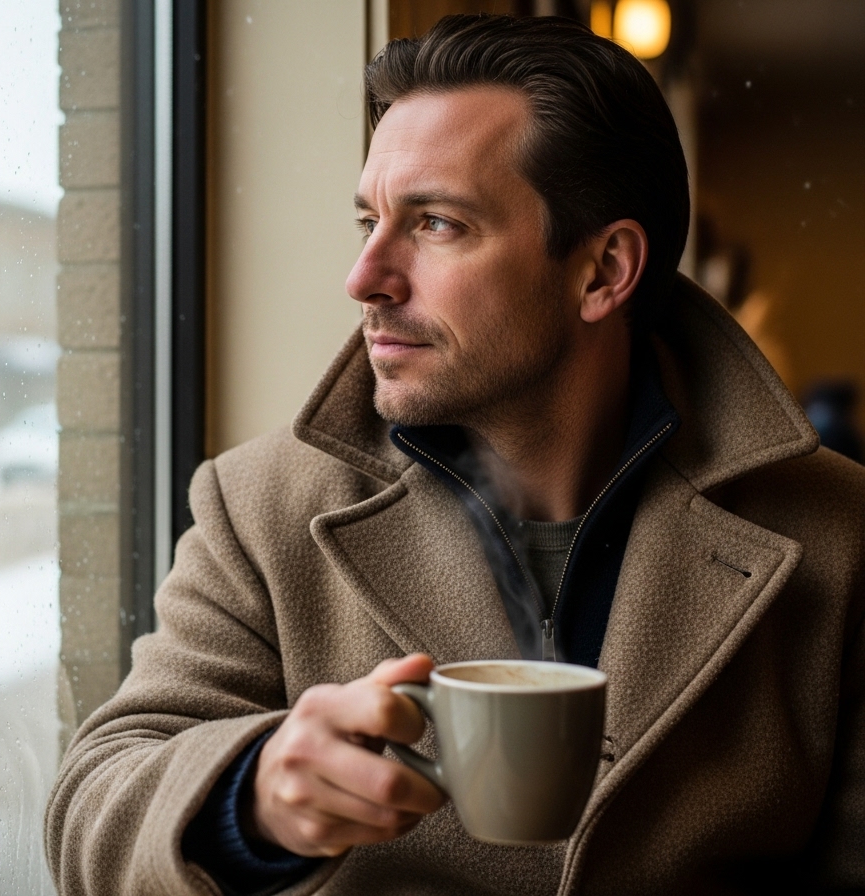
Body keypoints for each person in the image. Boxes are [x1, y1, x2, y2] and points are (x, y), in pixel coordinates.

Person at [46, 15, 865, 895]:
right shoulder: (260, 506)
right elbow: (91, 807)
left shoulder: (839, 533)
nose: (365, 275)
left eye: (435, 224)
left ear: (603, 271)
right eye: (369, 219)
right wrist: (253, 798)